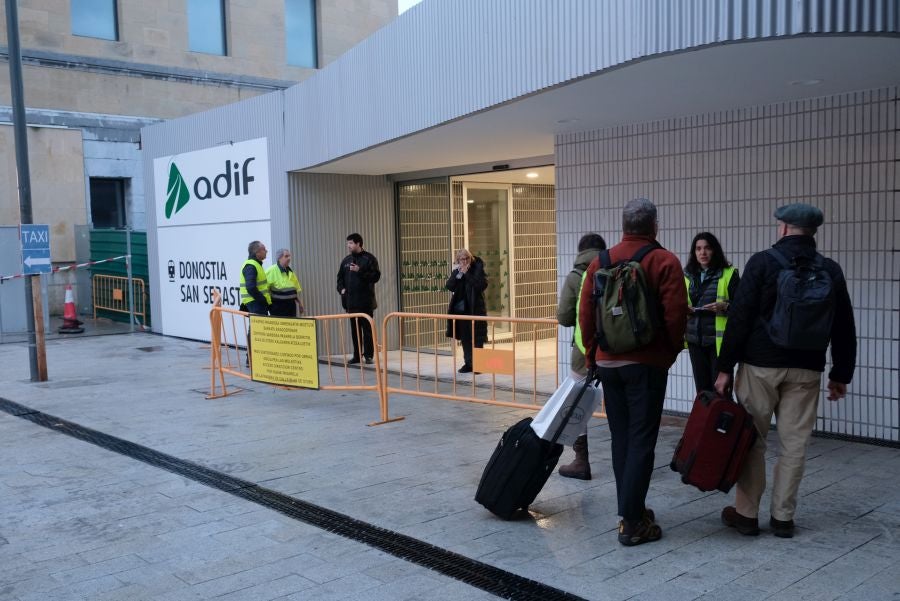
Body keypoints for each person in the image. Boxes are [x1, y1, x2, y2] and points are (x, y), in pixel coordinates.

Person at [715, 203, 856, 539]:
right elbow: (844, 326)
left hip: (760, 366)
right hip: (807, 370)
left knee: (753, 441)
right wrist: (841, 374)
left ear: (783, 228)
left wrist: (723, 367)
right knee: (795, 445)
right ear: (813, 233)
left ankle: (746, 515)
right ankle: (782, 518)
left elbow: (740, 318)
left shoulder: (763, 262)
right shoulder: (830, 270)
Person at [579, 198, 687, 546]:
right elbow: (675, 315)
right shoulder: (665, 261)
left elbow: (586, 314)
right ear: (654, 226)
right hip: (646, 365)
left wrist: (594, 354)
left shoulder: (601, 261)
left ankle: (632, 509)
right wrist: (666, 355)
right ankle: (631, 521)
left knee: (621, 438)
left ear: (623, 225)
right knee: (642, 440)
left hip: (608, 364)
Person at [555, 232, 606, 480]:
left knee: (577, 406)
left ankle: (581, 461)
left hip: (583, 352)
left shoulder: (577, 276)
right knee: (620, 404)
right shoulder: (618, 270)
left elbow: (564, 317)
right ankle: (628, 460)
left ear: (580, 252)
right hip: (618, 351)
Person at [683, 232, 740, 393]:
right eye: (698, 249)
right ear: (694, 253)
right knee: (702, 392)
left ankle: (723, 420)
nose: (703, 253)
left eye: (707, 248)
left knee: (721, 392)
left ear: (715, 250)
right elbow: (678, 303)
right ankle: (705, 419)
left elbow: (742, 308)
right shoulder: (687, 275)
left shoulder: (729, 274)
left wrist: (725, 306)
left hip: (719, 344)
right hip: (695, 342)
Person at [336, 233, 381, 364]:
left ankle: (368, 355)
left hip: (366, 302)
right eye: (348, 243)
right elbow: (339, 278)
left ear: (358, 244)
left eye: (350, 243)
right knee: (355, 330)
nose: (348, 245)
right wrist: (342, 290)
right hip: (351, 303)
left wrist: (359, 270)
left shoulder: (369, 258)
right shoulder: (346, 260)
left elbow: (376, 276)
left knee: (367, 329)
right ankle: (356, 356)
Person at [445, 249, 488, 374]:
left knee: (477, 337)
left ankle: (479, 365)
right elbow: (449, 286)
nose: (464, 262)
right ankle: (469, 363)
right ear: (458, 261)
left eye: (466, 259)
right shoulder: (457, 271)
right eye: (461, 259)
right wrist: (458, 276)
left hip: (475, 308)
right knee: (465, 338)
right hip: (461, 310)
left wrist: (468, 274)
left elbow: (481, 285)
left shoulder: (477, 269)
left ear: (471, 259)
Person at [266, 249, 305, 317]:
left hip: (291, 307)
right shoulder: (271, 271)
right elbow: (264, 291)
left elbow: (294, 291)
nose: (289, 258)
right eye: (286, 256)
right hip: (278, 308)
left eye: (289, 256)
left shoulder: (290, 272)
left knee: (291, 327)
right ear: (279, 258)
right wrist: (269, 306)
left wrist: (300, 303)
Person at [239, 241, 270, 316]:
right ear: (257, 252)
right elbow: (250, 287)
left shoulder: (255, 264)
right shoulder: (251, 266)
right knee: (258, 327)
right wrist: (262, 300)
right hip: (255, 303)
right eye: (264, 249)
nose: (266, 251)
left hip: (256, 302)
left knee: (256, 327)